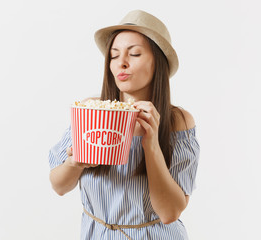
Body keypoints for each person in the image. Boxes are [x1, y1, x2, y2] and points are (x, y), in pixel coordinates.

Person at [48, 10, 200, 240]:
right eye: (114, 55)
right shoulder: (91, 111)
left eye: (135, 54)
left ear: (158, 63)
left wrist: (151, 144)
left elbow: (169, 213)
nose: (122, 64)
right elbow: (58, 186)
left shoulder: (176, 121)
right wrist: (75, 162)